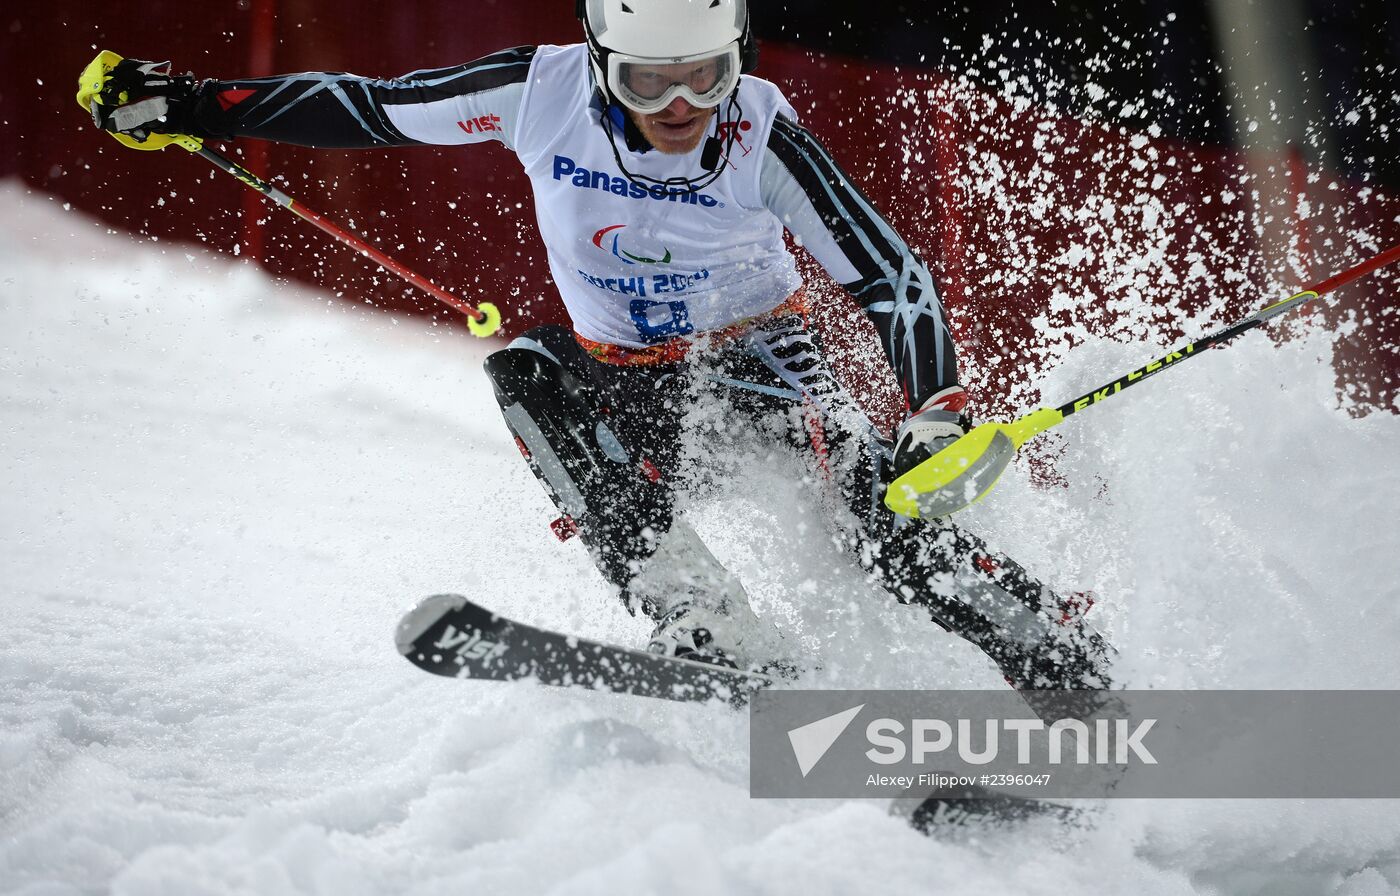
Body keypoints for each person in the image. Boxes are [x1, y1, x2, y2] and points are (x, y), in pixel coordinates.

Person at [84, 0, 1111, 688]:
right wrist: (193, 106)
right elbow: (371, 108)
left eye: (704, 77)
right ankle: (704, 619)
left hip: (760, 364)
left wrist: (932, 406)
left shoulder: (756, 129)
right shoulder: (537, 91)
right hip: (621, 379)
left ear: (737, 61)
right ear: (596, 61)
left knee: (878, 515)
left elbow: (889, 276)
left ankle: (1057, 660)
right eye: (648, 82)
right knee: (527, 371)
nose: (678, 109)